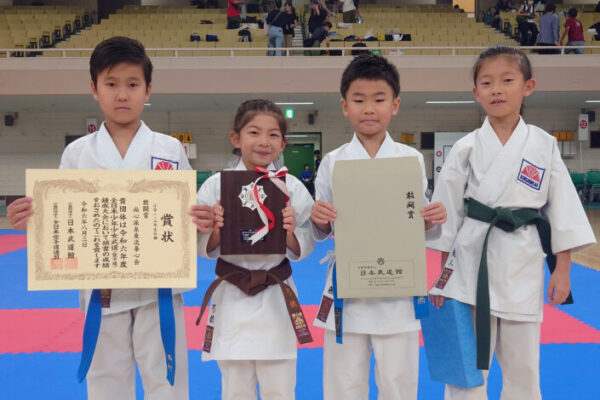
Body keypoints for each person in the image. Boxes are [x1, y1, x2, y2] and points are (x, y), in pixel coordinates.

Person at [6, 36, 216, 400]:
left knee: (168, 385)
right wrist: (32, 222)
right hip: (102, 293)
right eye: (111, 84)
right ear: (94, 89)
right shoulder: (77, 153)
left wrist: (202, 221)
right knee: (105, 386)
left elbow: (186, 220)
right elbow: (63, 219)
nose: (122, 95)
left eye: (132, 85)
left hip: (159, 291)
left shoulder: (168, 149)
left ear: (148, 89)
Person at [428, 45, 596, 399]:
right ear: (476, 93)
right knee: (466, 368)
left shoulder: (544, 144)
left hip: (523, 262)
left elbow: (562, 212)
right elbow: (448, 214)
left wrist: (562, 270)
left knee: (523, 368)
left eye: (507, 80)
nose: (497, 90)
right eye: (486, 83)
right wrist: (443, 279)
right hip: (471, 262)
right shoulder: (466, 147)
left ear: (528, 86)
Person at [310, 54, 447, 400]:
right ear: (344, 106)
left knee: (398, 385)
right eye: (359, 100)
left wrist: (430, 220)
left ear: (395, 105)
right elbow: (322, 230)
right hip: (348, 292)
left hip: (398, 291)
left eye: (379, 99)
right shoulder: (333, 161)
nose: (368, 108)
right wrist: (319, 219)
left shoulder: (411, 159)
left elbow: (417, 224)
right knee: (343, 385)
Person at [196, 99, 315, 400]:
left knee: (280, 389)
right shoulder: (215, 186)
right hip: (232, 296)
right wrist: (216, 230)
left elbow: (308, 238)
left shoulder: (292, 187)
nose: (264, 142)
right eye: (254, 132)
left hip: (276, 294)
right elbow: (199, 243)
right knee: (235, 389)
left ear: (283, 143)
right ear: (235, 138)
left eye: (273, 134)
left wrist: (289, 233)